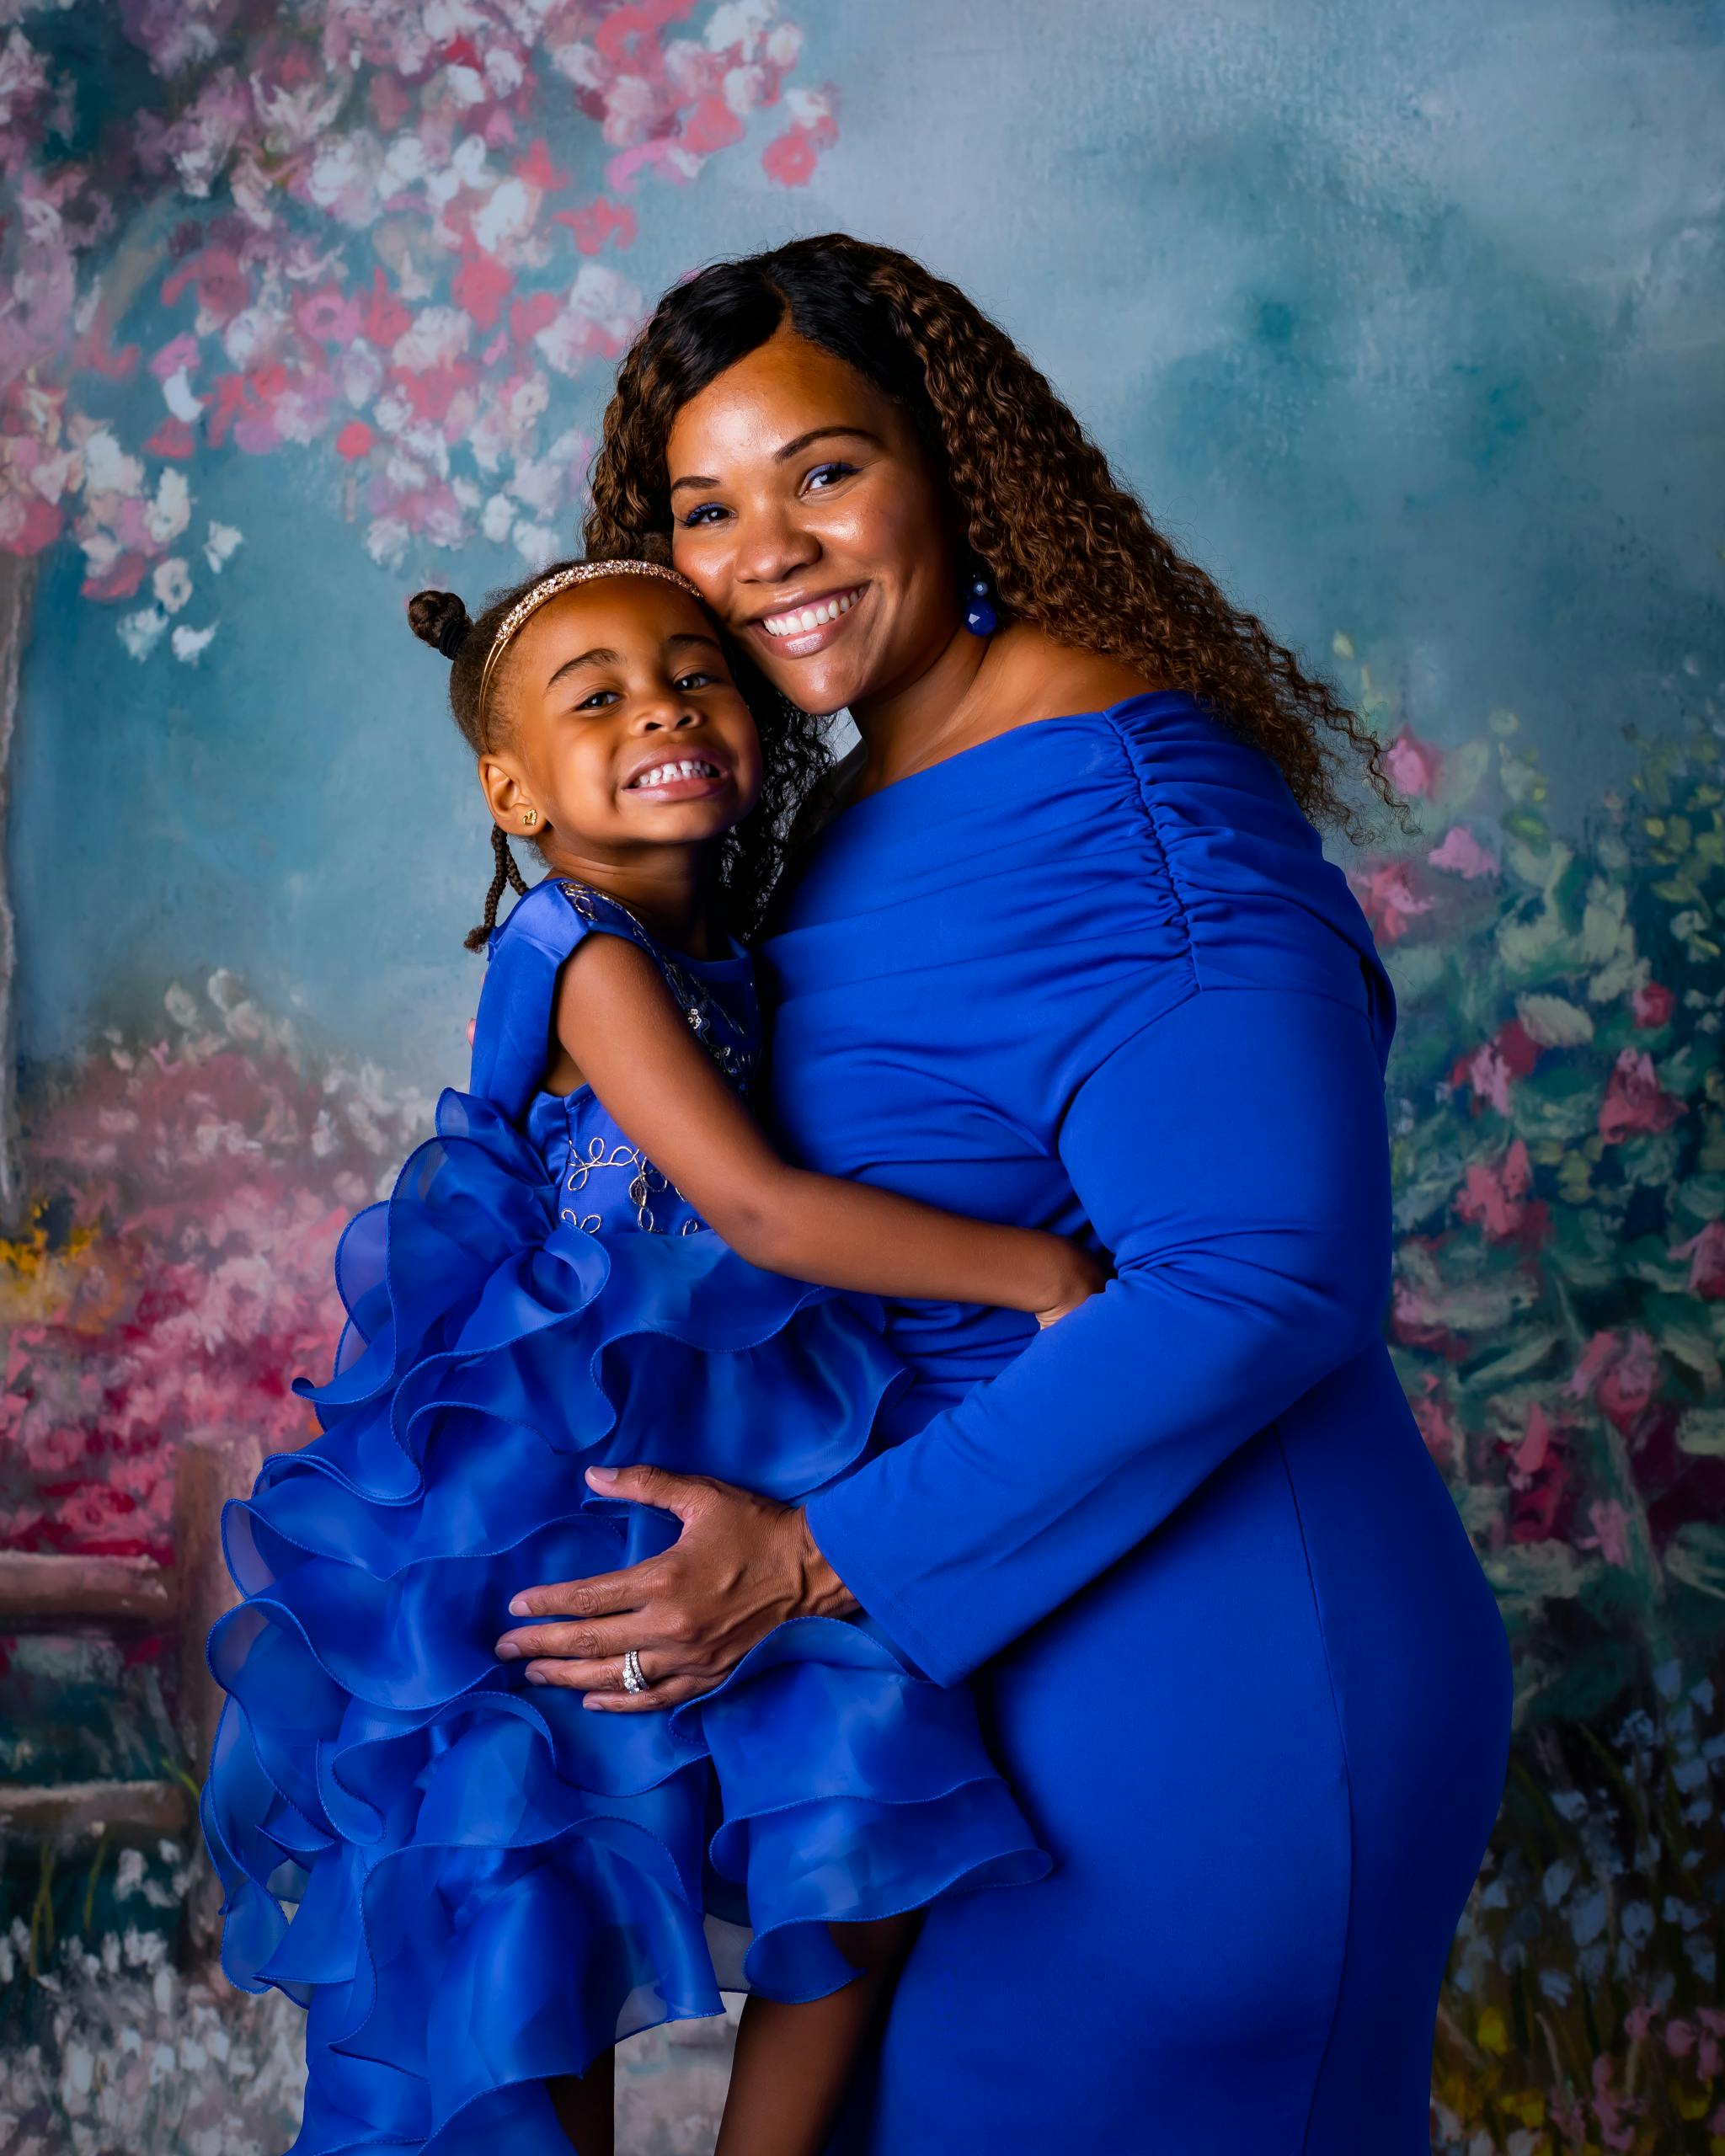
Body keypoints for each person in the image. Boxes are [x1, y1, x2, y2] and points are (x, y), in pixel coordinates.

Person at [494, 235, 1516, 2153]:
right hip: (994, 1680)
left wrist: (804, 1559)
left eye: (822, 472)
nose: (766, 552)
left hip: (1209, 1692)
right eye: (703, 511)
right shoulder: (879, 792)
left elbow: (1263, 1274)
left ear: (948, 461)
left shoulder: (1128, 803)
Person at [200, 555, 1119, 2156]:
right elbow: (757, 1209)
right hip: (552, 1491)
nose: (664, 711)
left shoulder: (735, 953)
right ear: (512, 787)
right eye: (599, 696)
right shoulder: (585, 950)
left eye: (695, 673)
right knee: (539, 1894)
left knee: (868, 1779)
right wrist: (1042, 1270)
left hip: (713, 1447)